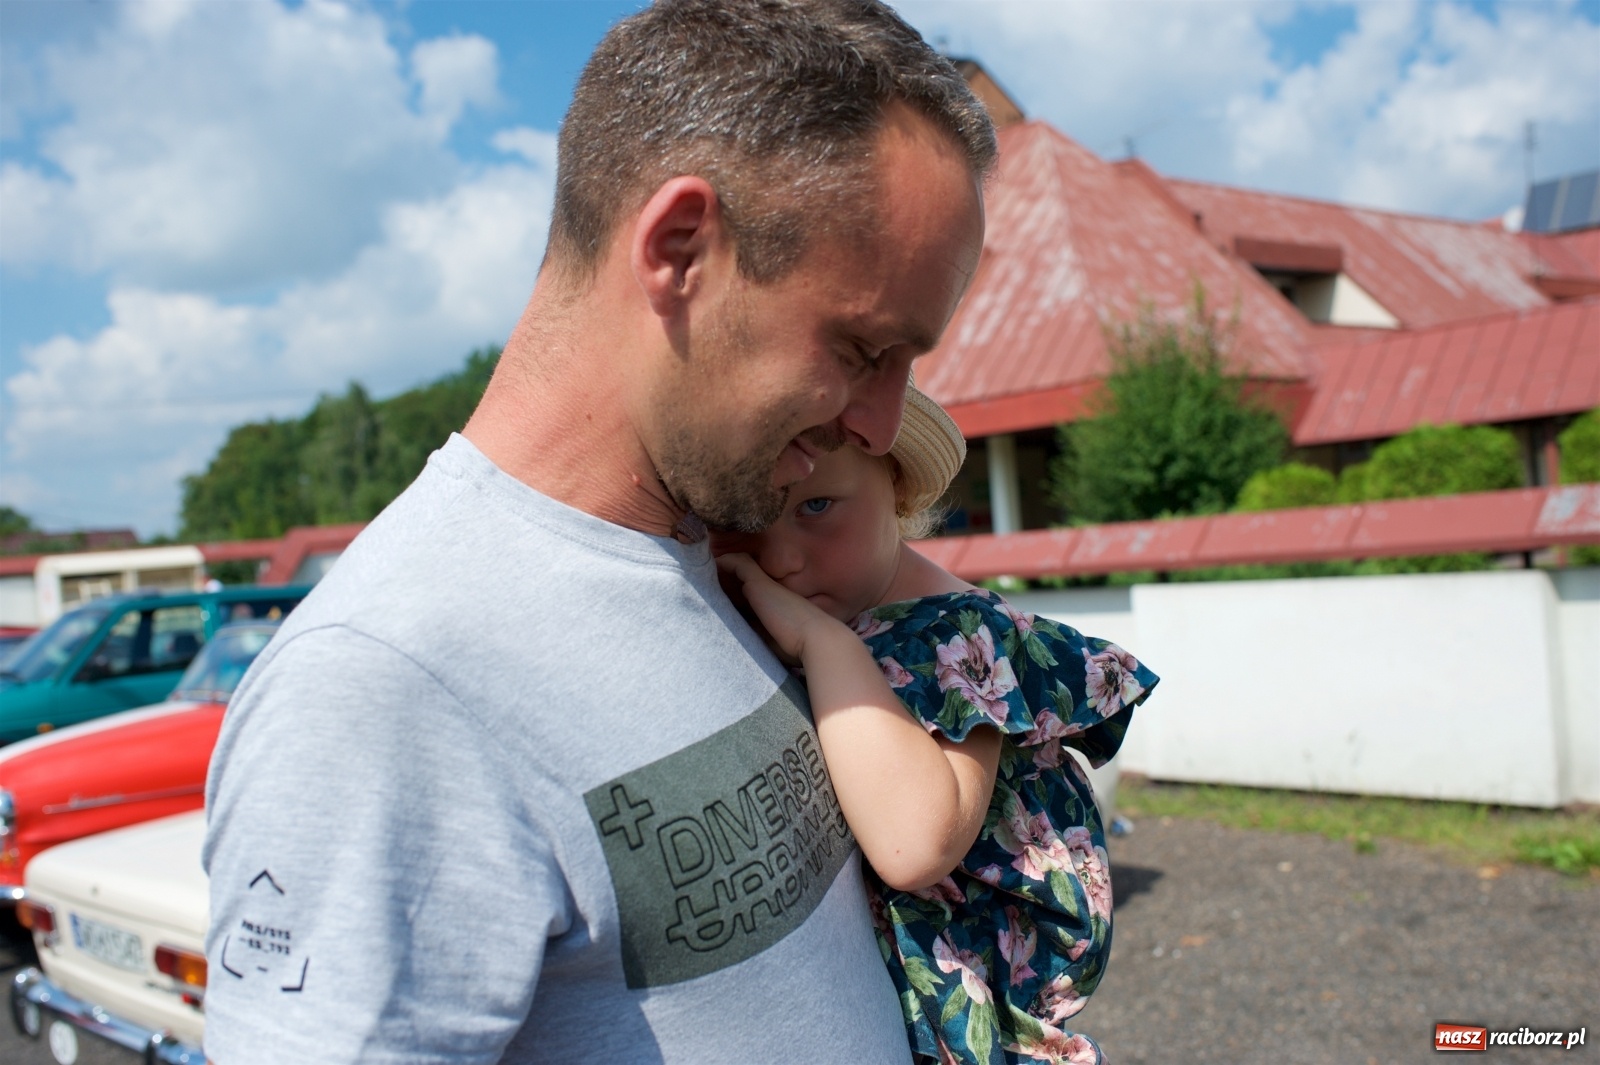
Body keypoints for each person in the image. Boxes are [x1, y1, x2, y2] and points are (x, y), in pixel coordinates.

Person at [201, 1, 994, 1062]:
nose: (883, 425)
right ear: (679, 249)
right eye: (860, 348)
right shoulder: (383, 686)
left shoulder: (738, 546)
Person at [713, 386, 1159, 1065]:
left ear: (895, 484)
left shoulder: (955, 637)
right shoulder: (842, 609)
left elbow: (918, 843)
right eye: (745, 516)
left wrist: (824, 644)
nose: (779, 558)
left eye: (816, 506)